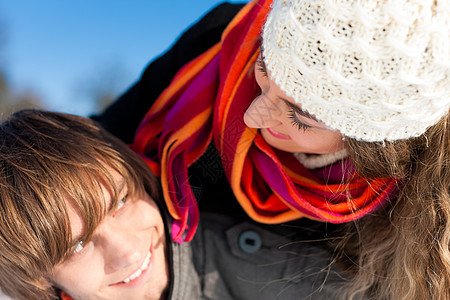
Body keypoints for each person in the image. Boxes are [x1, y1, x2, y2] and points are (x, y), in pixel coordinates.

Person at [95, 0, 450, 299]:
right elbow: (93, 146)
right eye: (263, 71)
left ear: (372, 144)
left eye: (300, 116)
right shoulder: (218, 38)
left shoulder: (412, 211)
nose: (252, 114)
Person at [0, 109, 344, 300]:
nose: (128, 252)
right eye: (77, 246)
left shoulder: (267, 275)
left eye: (120, 201)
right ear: (40, 278)